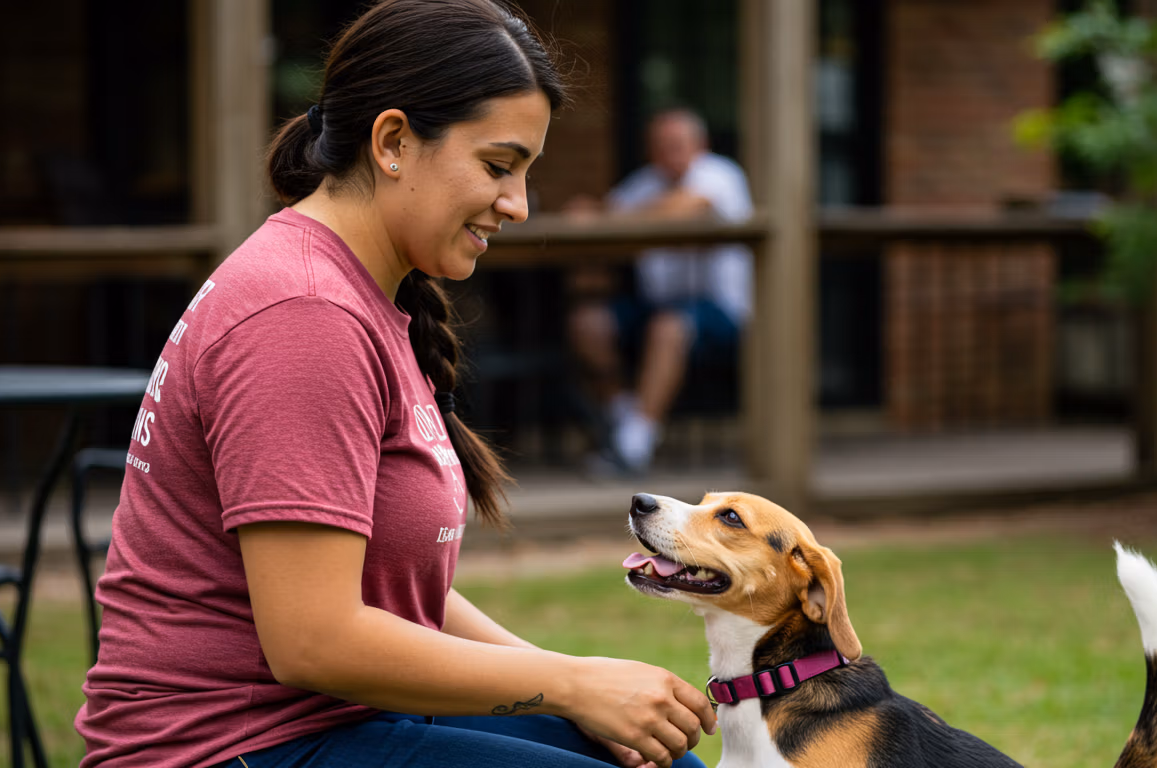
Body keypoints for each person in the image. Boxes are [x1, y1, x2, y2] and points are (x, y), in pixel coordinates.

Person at [75, 2, 715, 767]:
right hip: (229, 747)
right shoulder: (303, 314)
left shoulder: (353, 292)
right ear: (393, 142)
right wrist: (570, 684)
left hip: (333, 721)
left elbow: (386, 585)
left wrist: (581, 690)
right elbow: (312, 640)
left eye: (526, 174)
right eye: (497, 165)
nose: (517, 204)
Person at [567, 109, 753, 475]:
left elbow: (682, 208)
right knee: (588, 322)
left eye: (676, 145)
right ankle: (626, 417)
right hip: (656, 306)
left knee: (668, 326)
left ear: (700, 146)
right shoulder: (645, 182)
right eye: (659, 146)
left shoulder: (721, 174)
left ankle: (634, 446)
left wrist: (611, 217)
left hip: (721, 312)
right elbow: (590, 217)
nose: (668, 154)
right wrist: (596, 213)